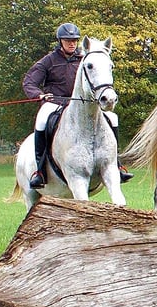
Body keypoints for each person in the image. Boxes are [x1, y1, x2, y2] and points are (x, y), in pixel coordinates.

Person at [22, 22, 133, 189]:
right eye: (68, 40)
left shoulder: (85, 59)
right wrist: (39, 95)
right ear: (60, 41)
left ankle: (116, 165)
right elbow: (29, 82)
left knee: (112, 117)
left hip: (82, 104)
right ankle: (40, 171)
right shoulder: (49, 61)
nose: (72, 43)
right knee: (42, 120)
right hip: (56, 103)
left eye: (74, 40)